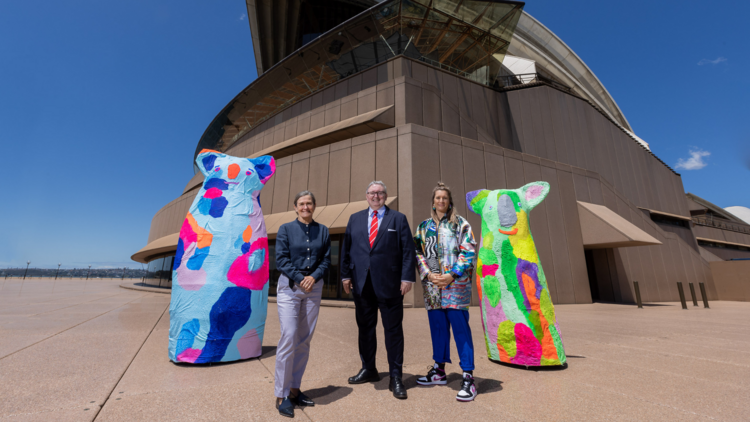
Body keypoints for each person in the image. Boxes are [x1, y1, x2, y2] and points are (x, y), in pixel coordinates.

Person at [341, 181, 416, 400]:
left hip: (390, 285)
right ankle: (369, 368)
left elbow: (408, 251)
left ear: (386, 196)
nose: (376, 196)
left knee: (393, 331)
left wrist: (407, 277)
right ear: (366, 196)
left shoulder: (398, 219)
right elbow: (347, 250)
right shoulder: (354, 219)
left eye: (380, 192)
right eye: (372, 192)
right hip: (361, 284)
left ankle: (395, 377)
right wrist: (345, 275)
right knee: (365, 329)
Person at [413, 182, 478, 402]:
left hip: (456, 286)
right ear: (433, 201)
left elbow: (468, 251)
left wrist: (452, 275)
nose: (441, 201)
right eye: (438, 198)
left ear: (450, 201)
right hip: (432, 288)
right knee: (438, 329)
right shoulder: (423, 227)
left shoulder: (460, 224)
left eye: (445, 198)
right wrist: (429, 275)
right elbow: (417, 253)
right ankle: (439, 371)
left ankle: (468, 376)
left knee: (461, 330)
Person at [274, 191, 331, 418]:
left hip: (313, 288)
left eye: (309, 203)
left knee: (304, 340)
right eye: (301, 204)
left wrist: (313, 277)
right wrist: (300, 278)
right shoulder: (285, 229)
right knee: (289, 336)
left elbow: (326, 259)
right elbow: (281, 260)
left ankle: (295, 390)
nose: (305, 207)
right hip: (290, 287)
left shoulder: (323, 230)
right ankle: (281, 394)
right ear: (295, 207)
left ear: (314, 206)